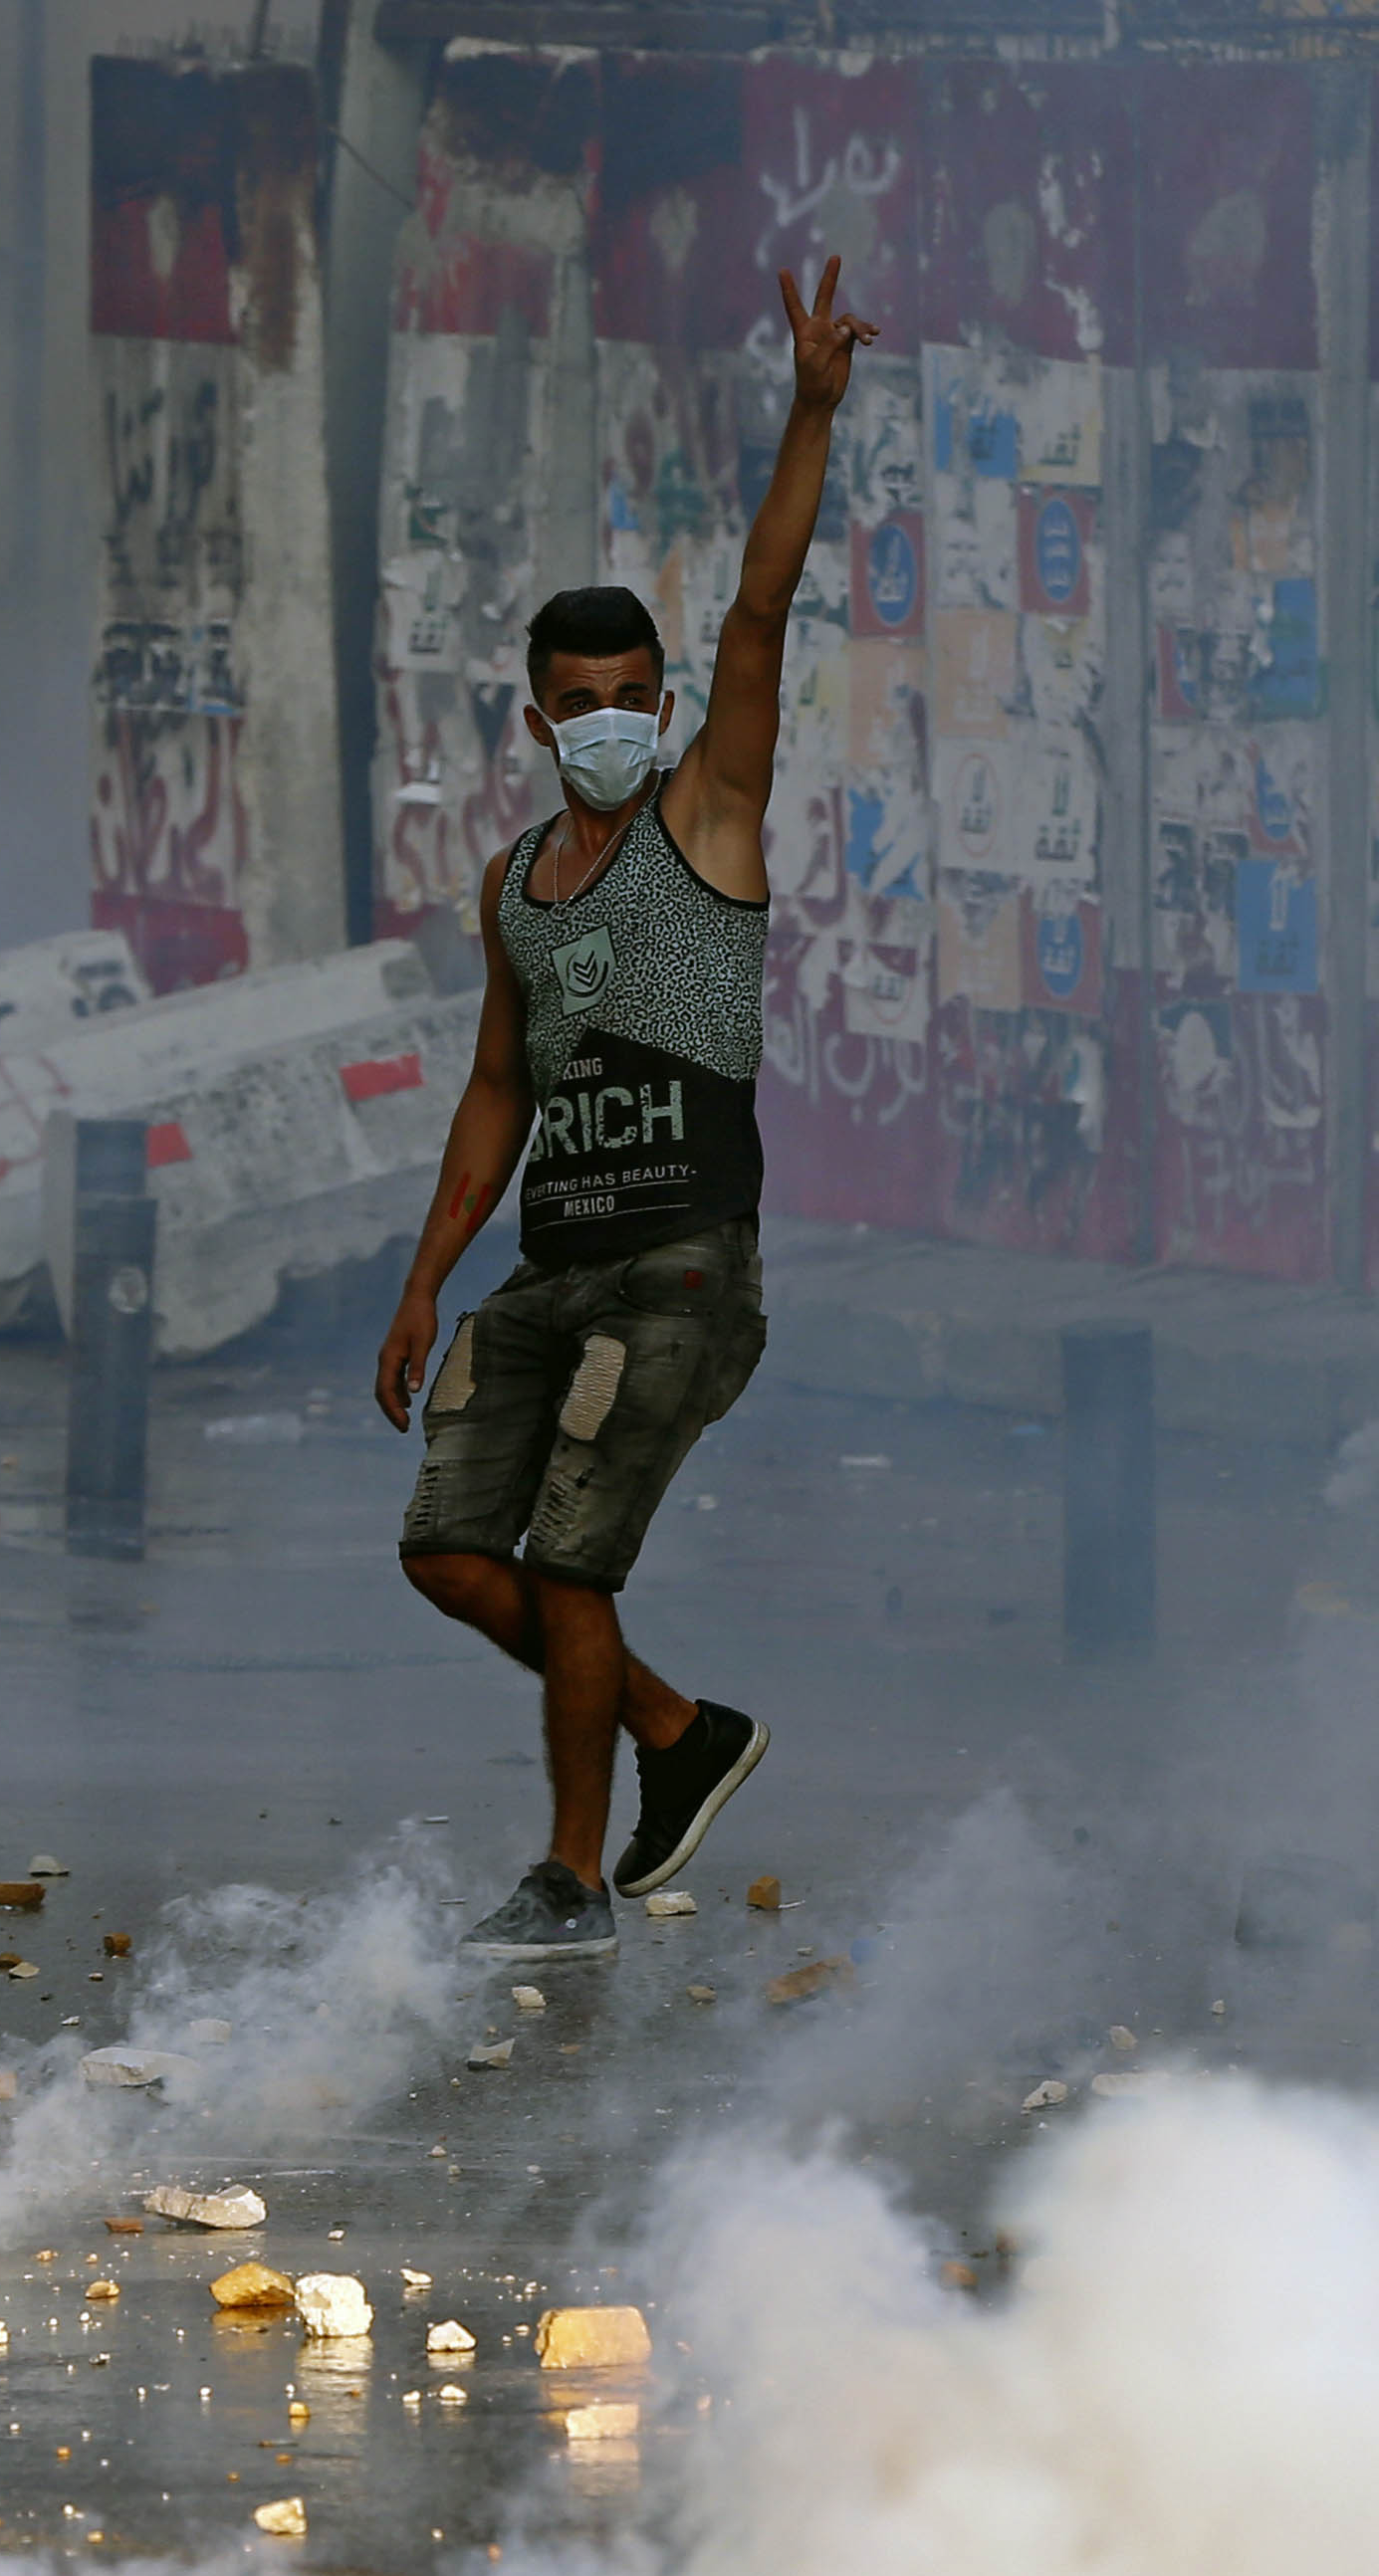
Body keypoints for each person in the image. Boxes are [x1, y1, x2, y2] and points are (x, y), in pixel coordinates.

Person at [373, 259, 875, 1958]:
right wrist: (424, 1276)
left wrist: (809, 410)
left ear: (660, 705)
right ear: (537, 720)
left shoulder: (706, 816)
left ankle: (572, 1877)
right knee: (446, 1548)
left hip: (674, 1264)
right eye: (574, 704)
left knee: (571, 1563)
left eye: (629, 697)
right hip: (545, 1267)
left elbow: (760, 606)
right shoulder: (514, 880)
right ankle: (677, 1733)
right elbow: (494, 1087)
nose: (607, 724)